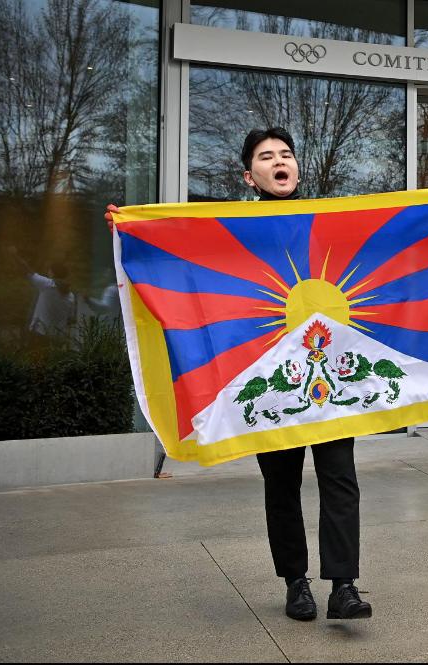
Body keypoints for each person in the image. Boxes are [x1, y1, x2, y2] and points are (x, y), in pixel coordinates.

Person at [106, 127, 372, 621]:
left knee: (341, 479)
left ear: (297, 168)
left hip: (331, 375)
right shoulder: (232, 226)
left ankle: (344, 585)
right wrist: (132, 230)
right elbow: (183, 252)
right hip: (271, 379)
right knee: (283, 484)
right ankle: (297, 583)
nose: (280, 162)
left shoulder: (325, 220)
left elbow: (383, 240)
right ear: (250, 175)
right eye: (267, 156)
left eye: (286, 154)